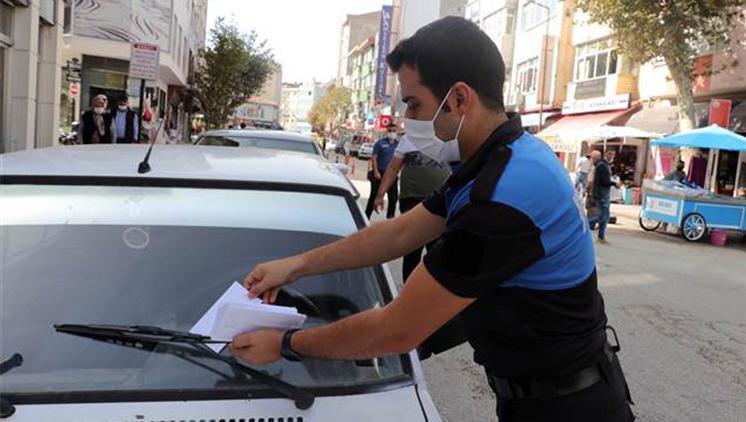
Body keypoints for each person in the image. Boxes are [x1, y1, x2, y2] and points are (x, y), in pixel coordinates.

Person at [231, 17, 633, 422]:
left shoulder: (505, 196)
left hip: (570, 408)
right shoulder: (499, 159)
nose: (408, 118)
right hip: (542, 396)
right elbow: (401, 231)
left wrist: (285, 344)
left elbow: (398, 329)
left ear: (459, 99)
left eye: (413, 104)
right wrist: (295, 266)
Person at [374, 135, 450, 279]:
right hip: (411, 200)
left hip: (442, 202)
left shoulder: (449, 137)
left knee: (437, 250)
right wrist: (380, 194)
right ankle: (408, 290)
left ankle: (430, 291)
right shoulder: (409, 138)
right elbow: (393, 168)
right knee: (412, 249)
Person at [364, 124, 400, 219]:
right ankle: (365, 218)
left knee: (393, 198)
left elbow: (402, 159)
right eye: (390, 130)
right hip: (380, 174)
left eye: (394, 130)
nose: (392, 133)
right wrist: (376, 171)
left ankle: (390, 219)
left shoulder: (399, 144)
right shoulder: (380, 143)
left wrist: (399, 171)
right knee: (374, 197)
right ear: (386, 131)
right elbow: (374, 158)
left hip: (392, 176)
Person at [588, 150, 619, 243]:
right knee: (603, 216)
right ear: (605, 154)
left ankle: (601, 236)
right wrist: (614, 183)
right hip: (601, 194)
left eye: (613, 154)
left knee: (604, 216)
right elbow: (604, 181)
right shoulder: (602, 165)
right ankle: (584, 224)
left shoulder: (603, 165)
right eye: (610, 153)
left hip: (602, 194)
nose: (611, 156)